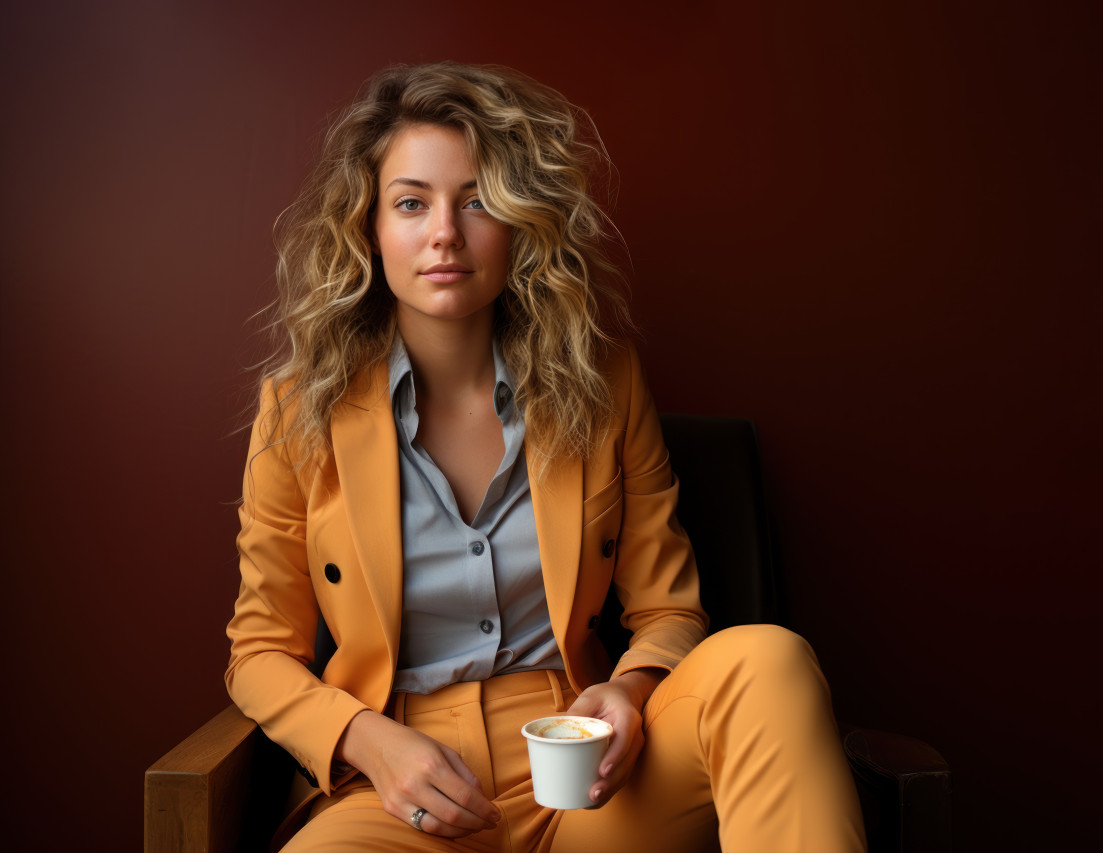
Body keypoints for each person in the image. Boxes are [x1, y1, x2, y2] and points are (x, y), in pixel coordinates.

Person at [226, 61, 865, 853]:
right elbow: (258, 652)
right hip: (400, 789)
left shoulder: (604, 385)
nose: (445, 233)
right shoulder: (298, 411)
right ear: (369, 227)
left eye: (479, 200)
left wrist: (631, 691)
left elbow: (669, 608)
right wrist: (364, 739)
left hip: (589, 770)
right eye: (411, 202)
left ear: (523, 221)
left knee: (770, 659)